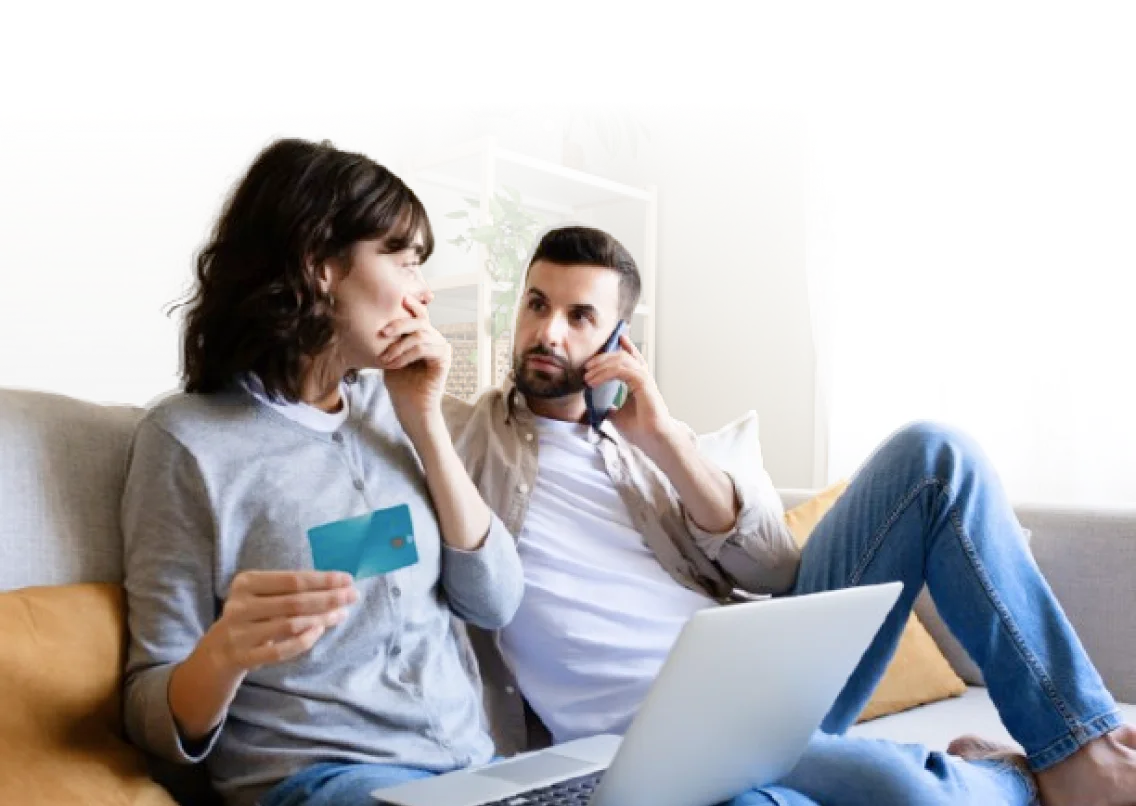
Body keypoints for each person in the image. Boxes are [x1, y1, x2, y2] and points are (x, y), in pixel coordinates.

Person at [442, 220, 1136, 806]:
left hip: (765, 683)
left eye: (579, 316)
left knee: (933, 454)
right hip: (653, 746)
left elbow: (775, 569)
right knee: (907, 793)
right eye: (535, 304)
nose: (547, 332)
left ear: (621, 340)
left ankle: (1077, 745)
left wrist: (664, 440)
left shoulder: (656, 444)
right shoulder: (459, 433)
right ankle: (1014, 776)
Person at [120, 133, 525, 806]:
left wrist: (426, 422)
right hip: (322, 783)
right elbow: (149, 706)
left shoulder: (393, 408)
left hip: (472, 772)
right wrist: (225, 653)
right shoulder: (186, 442)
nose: (424, 294)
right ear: (318, 265)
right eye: (402, 259)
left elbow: (496, 599)